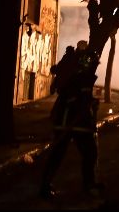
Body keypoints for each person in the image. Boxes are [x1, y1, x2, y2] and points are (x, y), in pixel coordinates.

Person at [41, 40, 102, 198]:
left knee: (85, 152)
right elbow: (75, 96)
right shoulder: (81, 76)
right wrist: (84, 105)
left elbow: (83, 96)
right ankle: (86, 185)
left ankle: (88, 184)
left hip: (70, 118)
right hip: (71, 119)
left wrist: (91, 102)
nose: (96, 66)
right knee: (84, 152)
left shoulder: (82, 75)